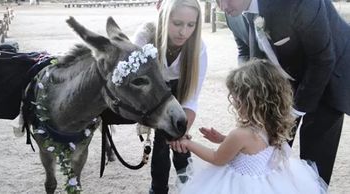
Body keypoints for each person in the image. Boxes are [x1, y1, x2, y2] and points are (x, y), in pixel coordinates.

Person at [217, 0, 350, 185]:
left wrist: (293, 112)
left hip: (328, 73)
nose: (221, 6)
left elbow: (323, 59)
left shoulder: (296, 3)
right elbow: (245, 52)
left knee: (315, 161)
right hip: (283, 83)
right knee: (267, 151)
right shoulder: (233, 15)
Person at [170, 60, 328, 194]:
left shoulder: (240, 134)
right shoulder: (271, 123)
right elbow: (253, 149)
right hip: (267, 183)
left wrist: (188, 143)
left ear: (252, 100)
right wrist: (223, 139)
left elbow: (217, 158)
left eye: (236, 97)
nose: (233, 101)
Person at [132, 0, 208, 193]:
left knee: (180, 141)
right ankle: (160, 188)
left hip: (180, 90)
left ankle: (186, 186)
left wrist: (181, 130)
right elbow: (133, 80)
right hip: (152, 92)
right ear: (164, 18)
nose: (183, 32)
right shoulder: (145, 35)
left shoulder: (198, 48)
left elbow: (191, 98)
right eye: (177, 23)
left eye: (191, 25)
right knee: (160, 140)